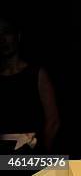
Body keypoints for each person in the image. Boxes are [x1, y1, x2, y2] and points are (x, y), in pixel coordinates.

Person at [0, 16, 60, 155]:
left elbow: (53, 121)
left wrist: (44, 154)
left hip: (30, 154)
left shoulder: (36, 74)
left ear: (18, 36)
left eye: (6, 32)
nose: (2, 39)